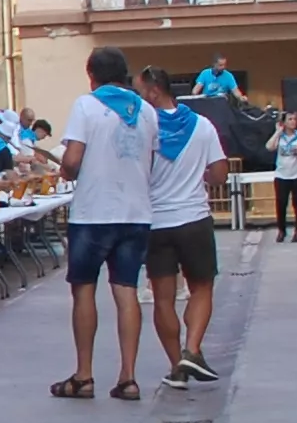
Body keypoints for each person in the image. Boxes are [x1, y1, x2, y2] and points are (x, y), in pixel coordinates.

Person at [52, 47, 159, 402]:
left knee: (83, 289)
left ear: (92, 76)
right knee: (126, 290)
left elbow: (73, 159)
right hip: (136, 212)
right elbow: (152, 160)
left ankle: (84, 375)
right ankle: (128, 377)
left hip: (94, 213)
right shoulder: (146, 111)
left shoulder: (87, 105)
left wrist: (66, 169)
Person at [135, 67, 229, 388]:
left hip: (156, 223)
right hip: (194, 218)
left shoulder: (142, 132)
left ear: (153, 91)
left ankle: (177, 366)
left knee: (163, 299)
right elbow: (219, 174)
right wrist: (197, 177)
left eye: (139, 91)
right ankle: (193, 349)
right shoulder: (203, 126)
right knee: (202, 287)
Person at [270, 109, 297, 242]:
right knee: (281, 202)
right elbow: (269, 147)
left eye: (294, 119)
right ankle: (281, 230)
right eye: (289, 119)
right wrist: (278, 131)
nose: (293, 122)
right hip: (282, 174)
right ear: (283, 122)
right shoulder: (280, 136)